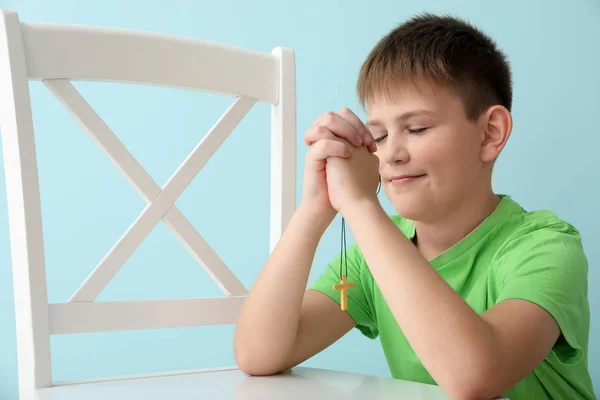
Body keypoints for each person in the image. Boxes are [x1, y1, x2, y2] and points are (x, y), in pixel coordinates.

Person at [233, 13, 595, 400]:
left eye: (417, 129)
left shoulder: (545, 248)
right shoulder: (371, 259)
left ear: (490, 134)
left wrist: (359, 204)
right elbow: (258, 353)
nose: (391, 155)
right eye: (378, 136)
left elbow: (474, 376)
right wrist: (314, 209)